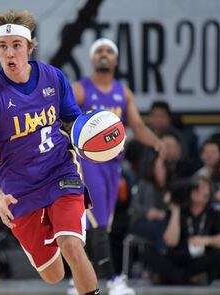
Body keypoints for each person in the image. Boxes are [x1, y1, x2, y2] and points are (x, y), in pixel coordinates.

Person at [0, 9, 100, 295]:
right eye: (3, 47)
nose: (10, 53)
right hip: (19, 188)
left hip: (60, 171)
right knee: (53, 275)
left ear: (29, 47)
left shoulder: (53, 77)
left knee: (72, 245)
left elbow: (71, 119)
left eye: (16, 45)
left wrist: (92, 135)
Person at [70, 38, 166, 295]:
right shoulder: (80, 89)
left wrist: (157, 143)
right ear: (92, 58)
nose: (104, 54)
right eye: (99, 50)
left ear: (116, 59)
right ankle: (113, 279)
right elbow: (61, 118)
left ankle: (78, 278)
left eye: (109, 51)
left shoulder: (123, 93)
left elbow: (137, 127)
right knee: (99, 224)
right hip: (88, 164)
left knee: (97, 225)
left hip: (113, 166)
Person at [143, 176, 220, 285]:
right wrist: (176, 210)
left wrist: (206, 240)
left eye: (203, 187)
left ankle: (171, 278)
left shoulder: (214, 213)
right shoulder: (179, 210)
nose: (199, 189)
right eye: (196, 186)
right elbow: (171, 241)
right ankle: (186, 279)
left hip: (200, 260)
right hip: (179, 257)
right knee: (148, 252)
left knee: (219, 256)